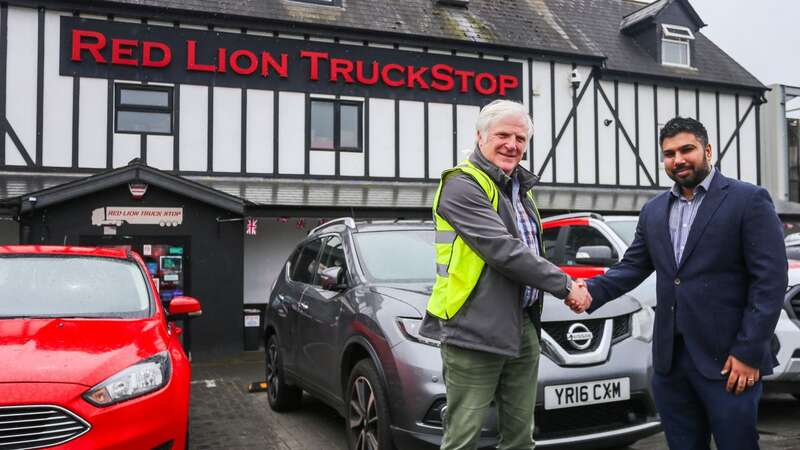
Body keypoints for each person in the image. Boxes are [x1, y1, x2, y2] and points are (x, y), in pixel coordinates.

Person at [569, 117, 787, 450]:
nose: (678, 159)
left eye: (687, 149)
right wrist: (586, 294)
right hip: (671, 364)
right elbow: (631, 267)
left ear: (708, 150)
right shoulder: (654, 210)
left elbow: (770, 282)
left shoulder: (748, 199)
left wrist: (748, 352)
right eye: (669, 154)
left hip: (730, 361)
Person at [419, 99, 591, 450]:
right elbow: (505, 252)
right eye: (503, 135)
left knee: (519, 438)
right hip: (473, 328)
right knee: (463, 438)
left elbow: (529, 253)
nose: (513, 145)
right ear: (480, 136)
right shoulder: (462, 185)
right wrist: (565, 285)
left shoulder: (519, 190)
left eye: (521, 138)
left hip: (523, 325)